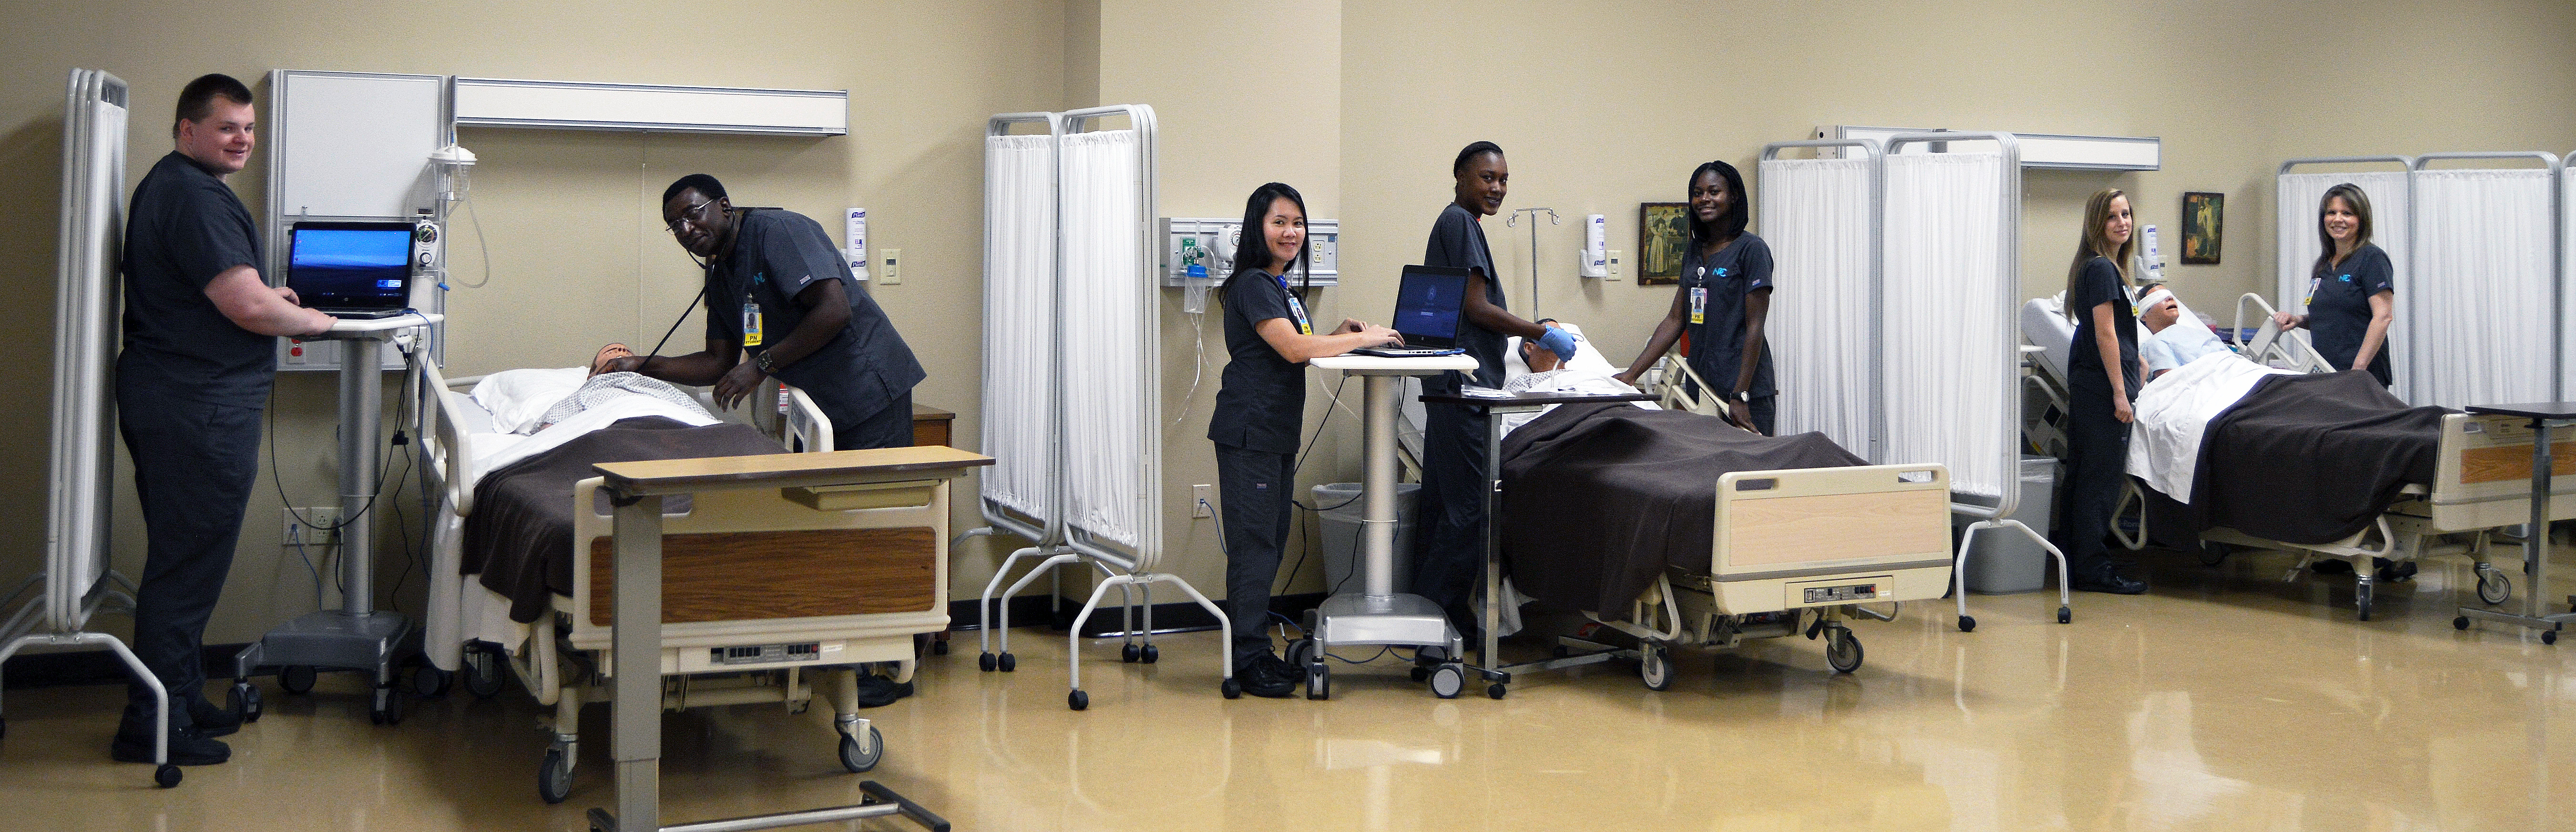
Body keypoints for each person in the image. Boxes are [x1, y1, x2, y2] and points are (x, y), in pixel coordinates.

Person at [115, 74, 339, 766]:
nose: (242, 139)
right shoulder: (191, 195)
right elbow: (246, 309)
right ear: (187, 131)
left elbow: (220, 292)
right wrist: (319, 320)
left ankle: (179, 696)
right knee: (185, 570)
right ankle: (151, 724)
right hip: (197, 407)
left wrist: (267, 295)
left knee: (190, 561)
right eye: (226, 128)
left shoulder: (181, 188)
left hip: (185, 398)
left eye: (248, 128)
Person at [1206, 183, 1401, 697]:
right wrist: (1364, 338)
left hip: (1271, 433)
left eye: (1297, 223)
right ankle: (1248, 659)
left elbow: (1295, 342)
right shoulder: (1253, 283)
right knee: (1255, 547)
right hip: (1251, 432)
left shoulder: (1279, 287)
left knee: (1267, 545)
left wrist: (1338, 330)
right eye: (1279, 222)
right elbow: (1293, 349)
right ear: (1258, 227)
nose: (1291, 232)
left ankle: (1255, 651)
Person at [599, 175, 925, 449]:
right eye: (675, 225)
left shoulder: (778, 232)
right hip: (817, 405)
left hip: (868, 391)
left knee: (876, 508)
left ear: (724, 207)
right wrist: (641, 366)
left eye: (693, 213)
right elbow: (718, 363)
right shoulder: (720, 273)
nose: (685, 229)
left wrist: (761, 365)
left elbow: (835, 311)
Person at [1413, 142, 1578, 644]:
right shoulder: (1460, 224)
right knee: (1472, 511)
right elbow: (1478, 308)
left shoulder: (1457, 225)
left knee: (1444, 506)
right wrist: (1538, 330)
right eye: (1487, 177)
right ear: (1460, 176)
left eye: (1504, 179)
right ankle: (1438, 622)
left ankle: (1433, 619)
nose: (1497, 188)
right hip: (1465, 386)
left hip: (1453, 382)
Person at [1616, 160, 1777, 434]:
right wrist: (1631, 375)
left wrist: (1741, 395)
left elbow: (1755, 327)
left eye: (1714, 192)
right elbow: (1675, 319)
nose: (1704, 200)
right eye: (1698, 193)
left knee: (1748, 473)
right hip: (1699, 384)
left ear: (1734, 196)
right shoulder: (1694, 250)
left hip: (1743, 389)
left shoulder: (1752, 250)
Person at [2052, 188, 2151, 595]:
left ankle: (2077, 562)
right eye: (2112, 217)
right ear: (2098, 223)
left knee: (2084, 475)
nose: (2122, 223)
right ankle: (2093, 568)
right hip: (2102, 386)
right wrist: (2120, 393)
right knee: (2099, 480)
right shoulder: (2102, 270)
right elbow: (2105, 331)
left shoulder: (2104, 267)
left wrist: (2138, 362)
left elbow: (2117, 332)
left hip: (2096, 380)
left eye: (2126, 214)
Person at [2270, 184, 2395, 387]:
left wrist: (2358, 369)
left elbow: (2383, 316)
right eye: (2332, 213)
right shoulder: (2324, 264)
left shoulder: (2372, 258)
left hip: (2361, 374)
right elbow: (2333, 315)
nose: (2338, 219)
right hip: (2325, 370)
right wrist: (2298, 319)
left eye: (2347, 213)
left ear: (2361, 219)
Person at [2136, 286, 2229, 379]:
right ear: (2144, 315)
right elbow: (2171, 381)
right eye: (2159, 297)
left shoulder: (2201, 333)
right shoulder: (2154, 344)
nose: (2170, 298)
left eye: (2170, 295)